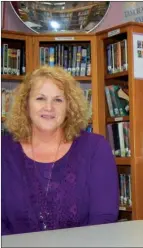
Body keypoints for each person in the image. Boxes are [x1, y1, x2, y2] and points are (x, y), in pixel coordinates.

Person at [1, 66, 119, 235]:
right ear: (25, 104)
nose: (49, 107)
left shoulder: (95, 148)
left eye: (58, 100)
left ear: (69, 107)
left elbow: (104, 218)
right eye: (40, 98)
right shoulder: (3, 150)